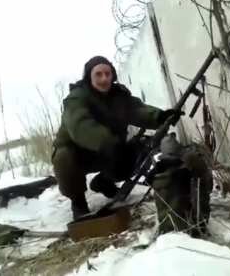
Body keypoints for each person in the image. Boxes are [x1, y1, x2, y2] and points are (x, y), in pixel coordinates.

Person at [52, 56, 182, 220]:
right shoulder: (76, 98)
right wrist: (107, 142)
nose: (104, 78)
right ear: (89, 77)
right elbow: (80, 126)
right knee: (63, 157)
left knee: (135, 152)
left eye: (108, 73)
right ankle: (78, 202)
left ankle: (103, 181)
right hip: (80, 154)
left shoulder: (119, 96)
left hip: (109, 148)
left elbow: (137, 110)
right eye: (98, 74)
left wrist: (160, 117)